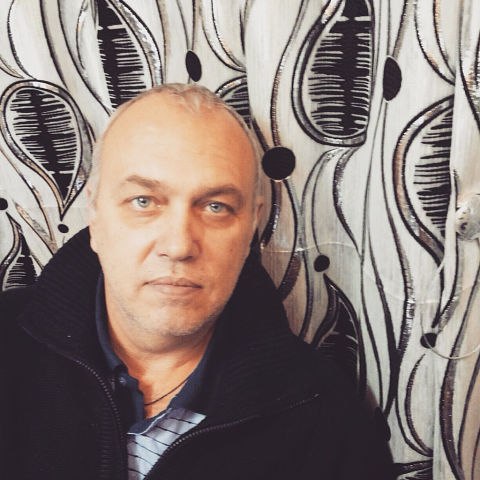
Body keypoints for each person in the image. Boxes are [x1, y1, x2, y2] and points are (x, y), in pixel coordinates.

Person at [0, 83, 394, 479]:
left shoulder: (324, 416)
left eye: (215, 207)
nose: (179, 246)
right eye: (143, 201)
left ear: (251, 228)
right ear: (95, 215)